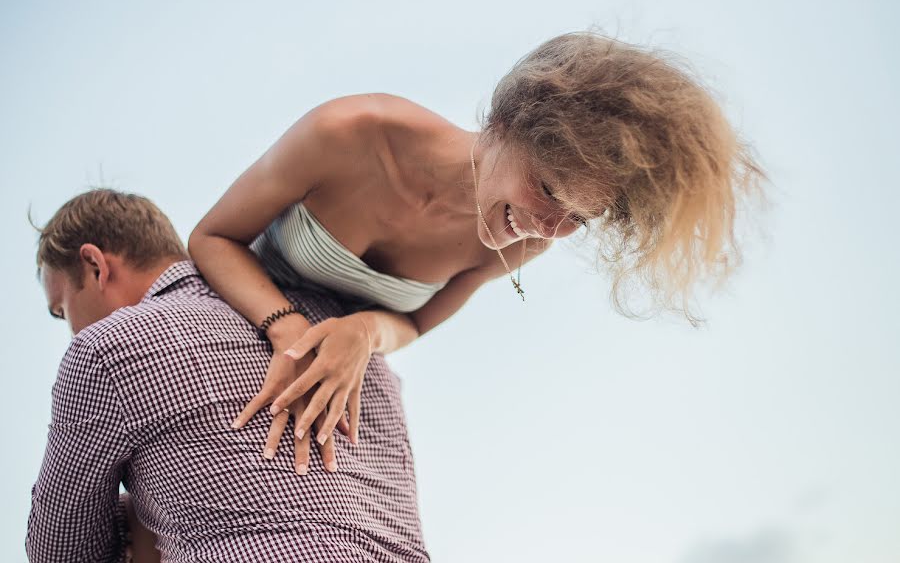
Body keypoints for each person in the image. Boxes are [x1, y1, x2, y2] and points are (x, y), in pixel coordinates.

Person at [189, 29, 769, 463]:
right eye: (546, 190)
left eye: (579, 219)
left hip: (334, 382)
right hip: (227, 324)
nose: (549, 229)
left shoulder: (525, 244)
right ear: (501, 125)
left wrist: (363, 332)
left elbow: (411, 325)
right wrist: (288, 329)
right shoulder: (347, 132)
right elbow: (212, 238)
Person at [27, 189, 430, 562]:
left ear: (96, 265)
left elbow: (61, 549)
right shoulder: (346, 340)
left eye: (63, 309)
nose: (72, 329)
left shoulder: (106, 348)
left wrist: (131, 518)